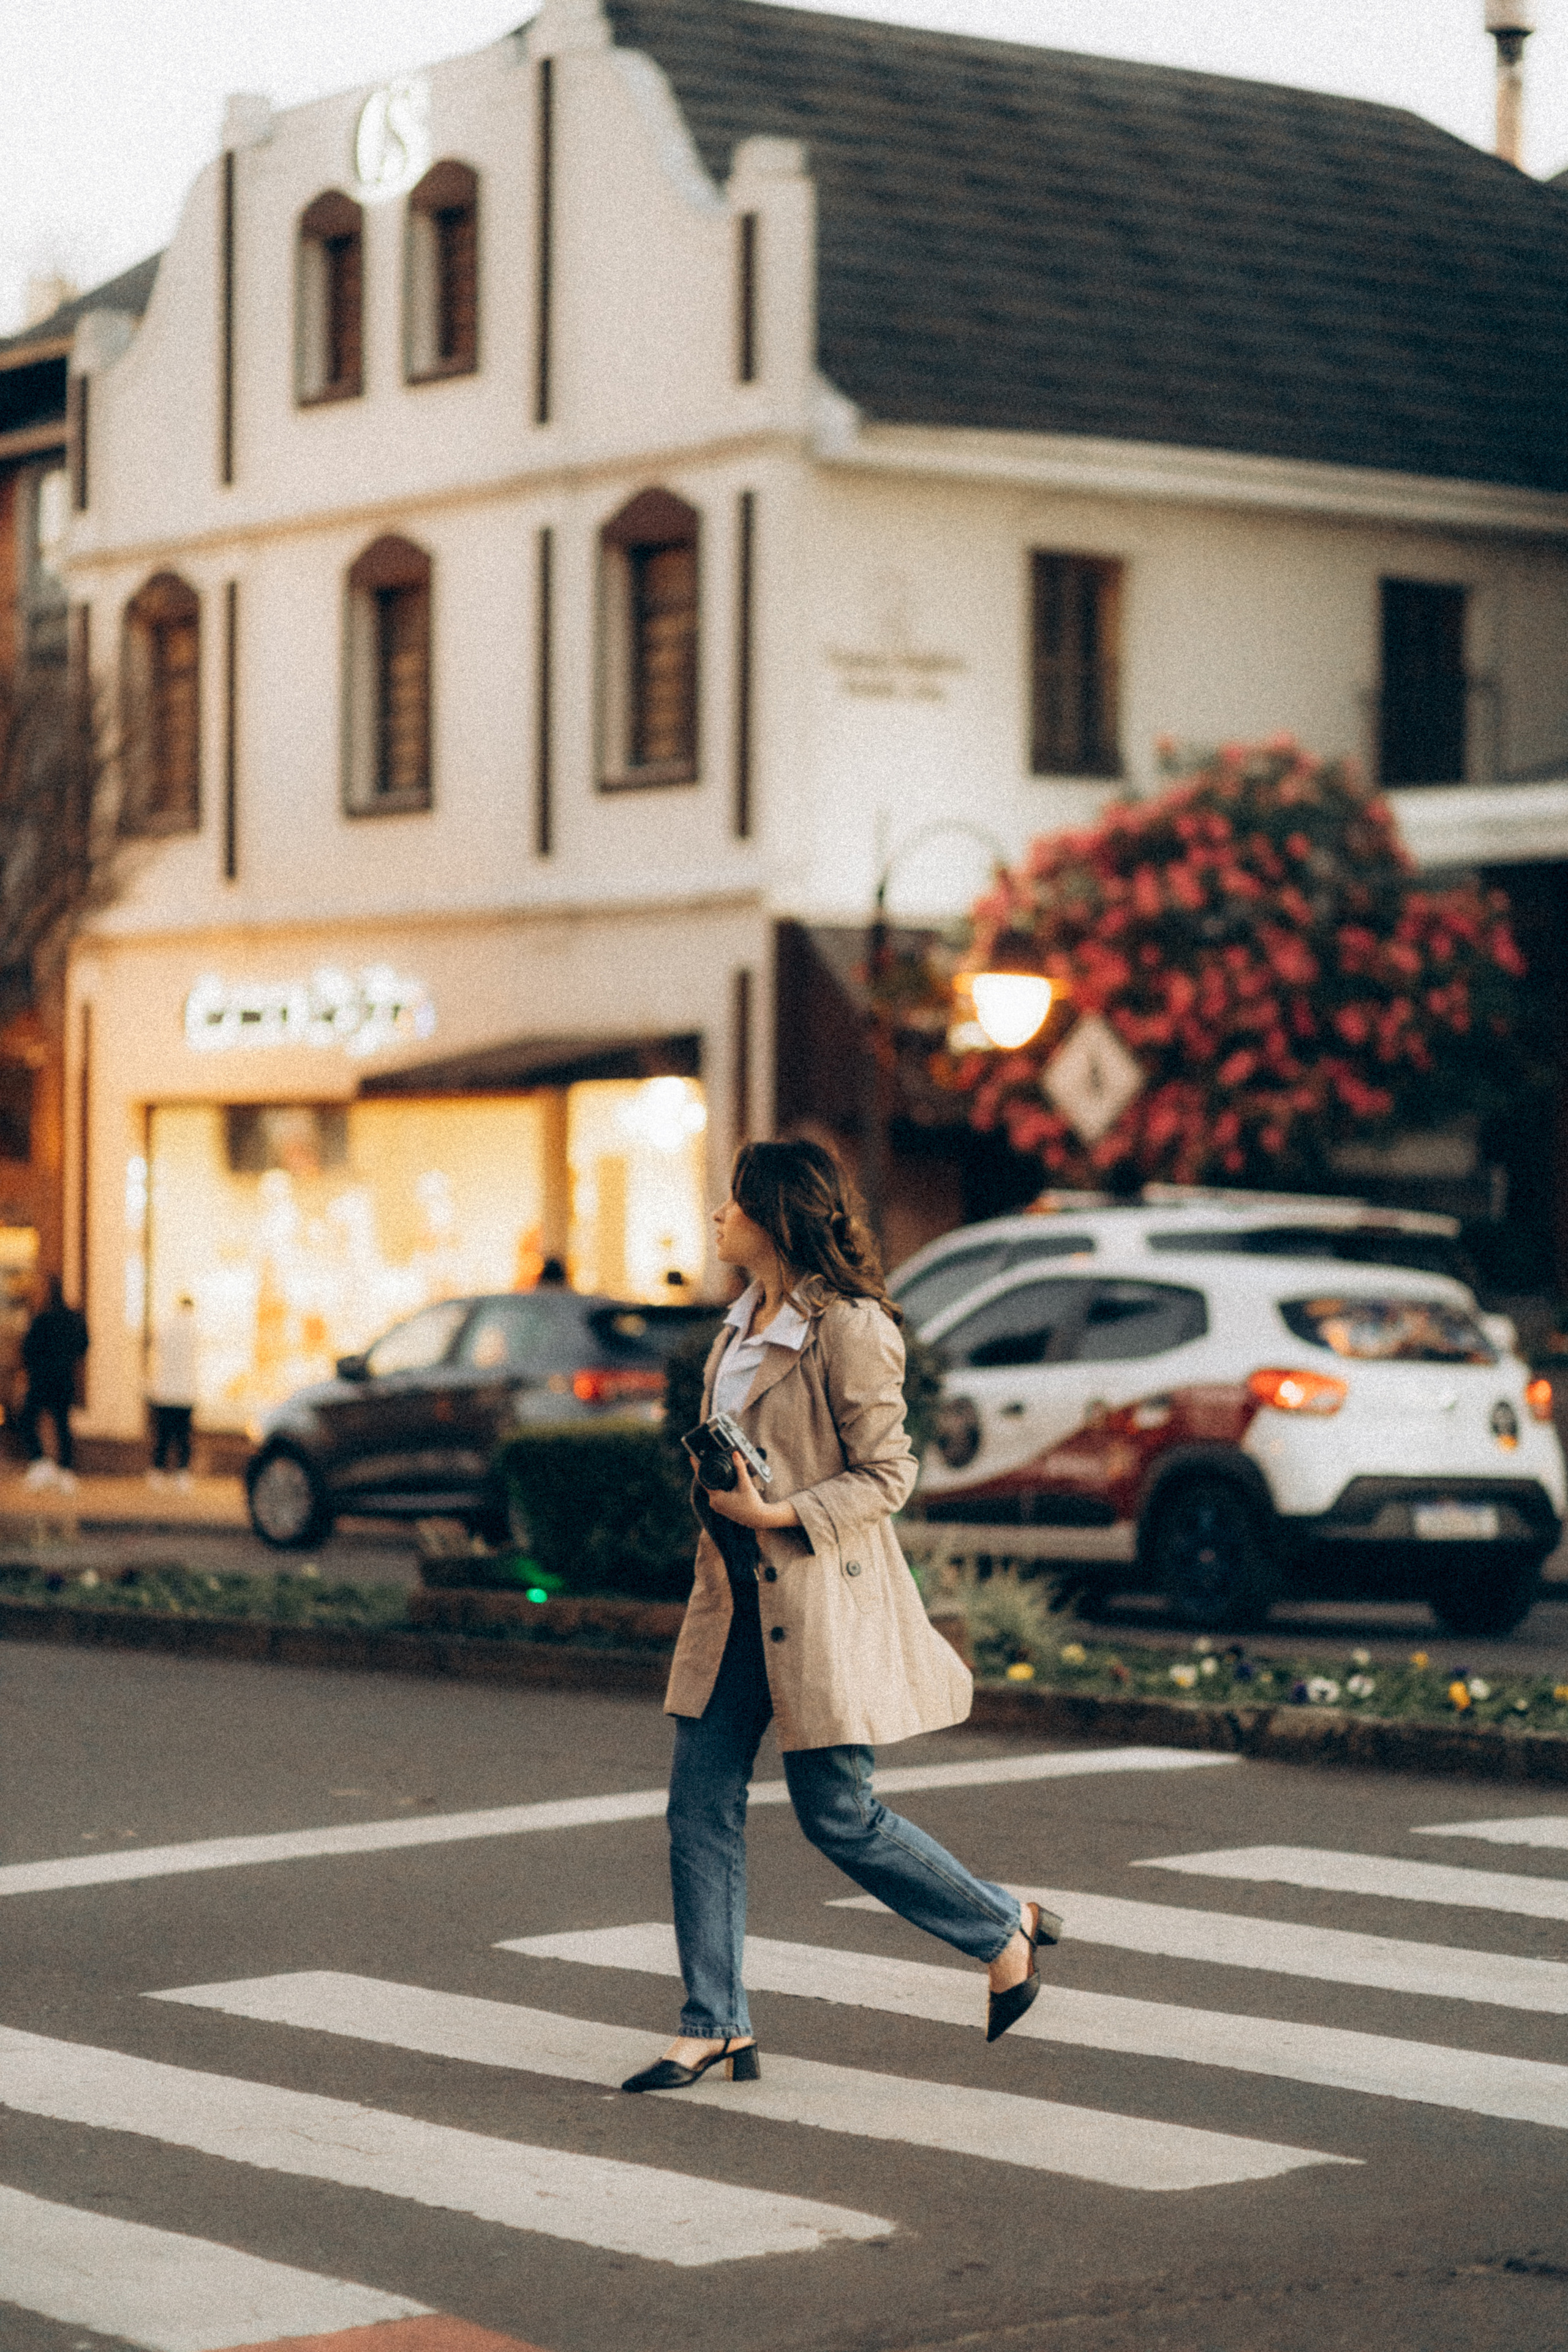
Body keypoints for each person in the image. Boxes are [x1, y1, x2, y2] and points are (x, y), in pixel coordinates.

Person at [621, 1138, 1061, 2095]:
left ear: (775, 1217)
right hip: (731, 1594)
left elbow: (889, 1473)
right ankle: (714, 2022)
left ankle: (1000, 1925)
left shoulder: (849, 1328)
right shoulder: (738, 1323)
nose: (716, 1217)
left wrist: (780, 1512)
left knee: (838, 1815)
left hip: (812, 1597)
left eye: (733, 1204)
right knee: (698, 1806)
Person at [18, 1277, 88, 1492]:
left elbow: (28, 1349)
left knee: (27, 1418)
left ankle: (41, 1463)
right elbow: (84, 1345)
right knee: (62, 1424)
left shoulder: (42, 1319)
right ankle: (65, 1470)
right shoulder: (73, 1319)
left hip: (42, 1378)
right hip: (64, 1378)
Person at [147, 1293, 199, 1489]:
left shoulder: (165, 1325)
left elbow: (155, 1349)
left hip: (165, 1391)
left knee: (163, 1435)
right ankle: (182, 1473)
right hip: (186, 1392)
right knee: (183, 1436)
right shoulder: (194, 1328)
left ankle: (157, 1471)